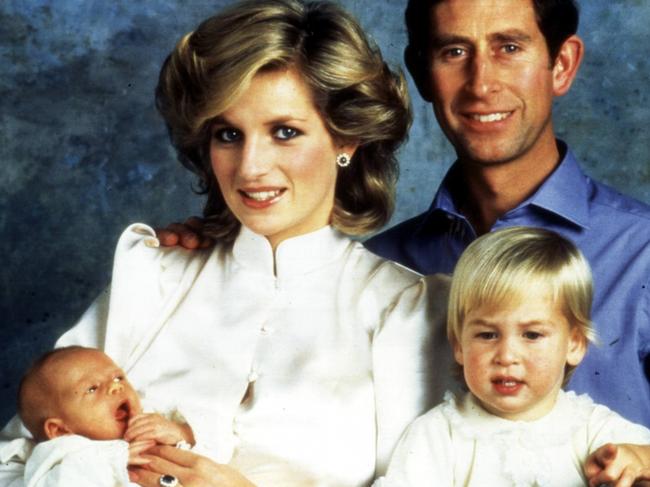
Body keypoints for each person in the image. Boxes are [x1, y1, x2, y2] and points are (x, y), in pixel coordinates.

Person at [0, 1, 450, 486]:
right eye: (228, 134)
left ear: (347, 141)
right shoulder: (153, 275)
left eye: (284, 132)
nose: (251, 166)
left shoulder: (407, 312)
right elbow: (15, 461)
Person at [157, 0, 650, 428]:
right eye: (454, 52)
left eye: (509, 47)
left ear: (561, 65)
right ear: (422, 74)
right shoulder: (383, 268)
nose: (482, 84)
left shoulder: (642, 253)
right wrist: (212, 250)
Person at [375, 227, 650, 487]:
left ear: (574, 344)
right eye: (487, 335)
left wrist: (639, 459)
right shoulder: (439, 434)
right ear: (459, 345)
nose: (506, 356)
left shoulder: (593, 429)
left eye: (531, 335)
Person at [9, 346, 195, 487]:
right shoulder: (61, 453)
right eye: (92, 388)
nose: (116, 387)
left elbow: (209, 445)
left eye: (118, 378)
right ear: (60, 430)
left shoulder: (153, 417)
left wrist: (181, 433)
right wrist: (114, 459)